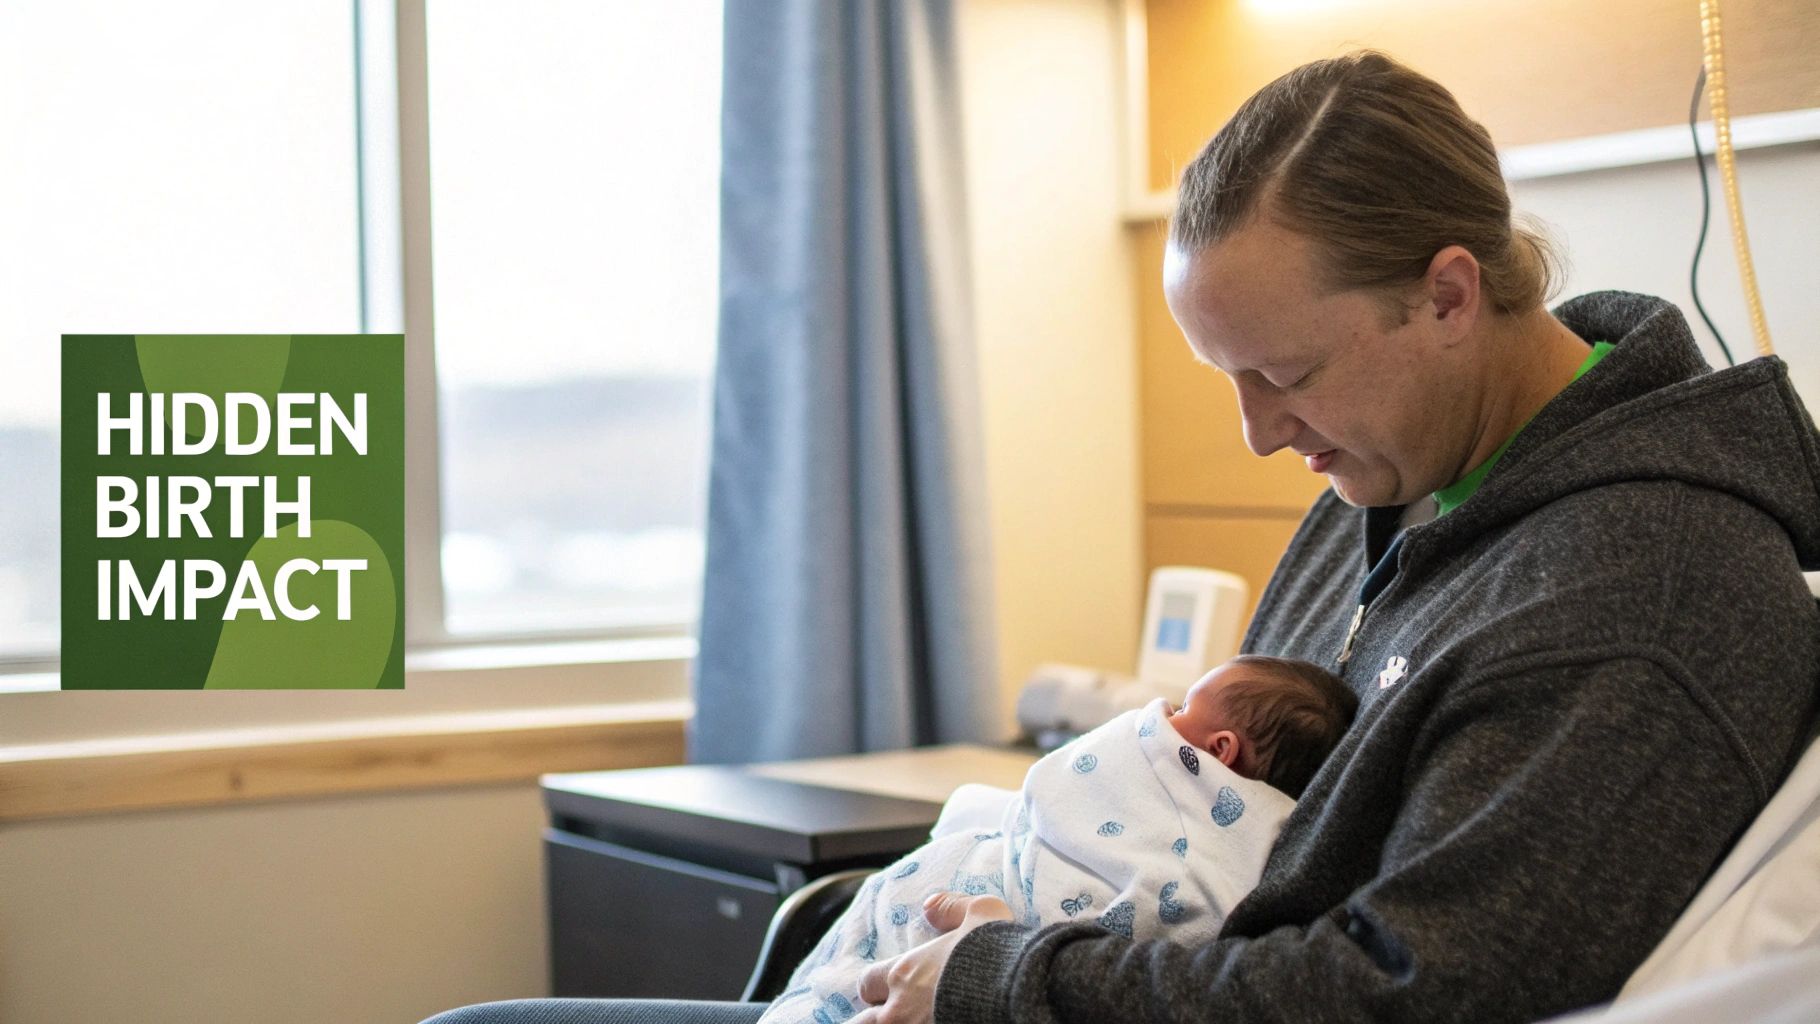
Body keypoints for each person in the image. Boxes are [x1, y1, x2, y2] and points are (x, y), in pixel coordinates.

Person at [420, 49, 1820, 1024]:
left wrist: (1004, 983)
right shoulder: (1399, 485)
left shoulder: (1647, 596)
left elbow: (1420, 991)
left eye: (1288, 374)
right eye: (1232, 379)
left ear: (1449, 295)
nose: (1263, 436)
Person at [759, 656, 1356, 1024]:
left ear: (1218, 751)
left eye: (1179, 709)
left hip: (977, 956)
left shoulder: (1234, 839)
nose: (1158, 717)